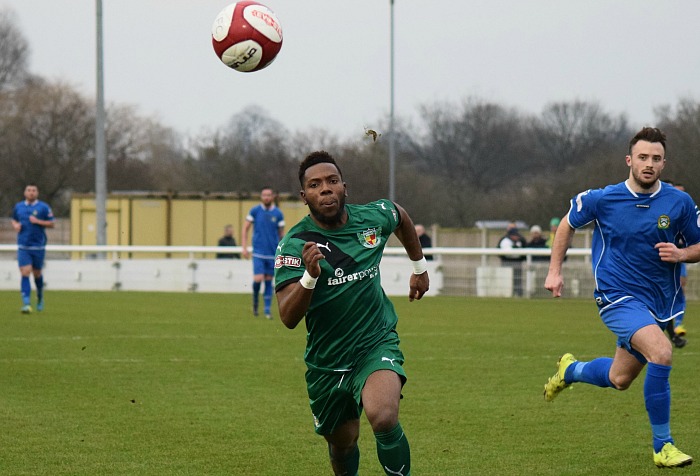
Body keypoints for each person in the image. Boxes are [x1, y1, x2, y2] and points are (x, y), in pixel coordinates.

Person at [543, 127, 699, 468]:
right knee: (661, 351)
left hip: (658, 302)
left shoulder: (679, 202)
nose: (649, 164)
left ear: (663, 163)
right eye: (643, 157)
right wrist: (555, 270)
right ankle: (663, 446)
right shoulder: (604, 199)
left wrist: (683, 254)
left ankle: (571, 371)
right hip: (616, 296)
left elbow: (698, 244)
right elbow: (567, 224)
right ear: (629, 160)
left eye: (656, 159)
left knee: (619, 378)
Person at [274, 150, 429, 476]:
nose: (325, 189)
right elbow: (288, 317)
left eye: (332, 181)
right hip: (327, 361)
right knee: (344, 442)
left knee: (383, 417)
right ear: (304, 197)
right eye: (315, 185)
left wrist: (419, 267)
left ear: (345, 187)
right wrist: (310, 277)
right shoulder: (294, 244)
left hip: (375, 342)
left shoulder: (373, 217)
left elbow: (399, 215)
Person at [241, 187, 285, 319]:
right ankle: (255, 303)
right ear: (261, 196)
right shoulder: (255, 211)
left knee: (268, 280)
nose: (266, 197)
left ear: (272, 197)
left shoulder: (278, 213)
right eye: (264, 195)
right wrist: (244, 247)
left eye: (269, 195)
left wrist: (282, 251)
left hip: (272, 252)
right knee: (258, 279)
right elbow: (245, 229)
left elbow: (282, 234)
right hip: (258, 252)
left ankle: (267, 310)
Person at [11, 184, 55, 314]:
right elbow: (13, 219)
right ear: (25, 192)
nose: (31, 193)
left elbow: (52, 223)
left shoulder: (44, 207)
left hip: (38, 246)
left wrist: (38, 221)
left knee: (37, 274)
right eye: (29, 190)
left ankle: (40, 297)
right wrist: (16, 225)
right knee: (25, 272)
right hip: (23, 246)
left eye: (33, 190)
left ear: (37, 193)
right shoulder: (18, 207)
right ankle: (26, 304)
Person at [498, 223, 526, 296]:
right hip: (507, 264)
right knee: (507, 280)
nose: (517, 237)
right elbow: (508, 252)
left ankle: (518, 293)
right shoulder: (505, 241)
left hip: (517, 263)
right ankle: (506, 294)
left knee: (517, 279)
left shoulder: (520, 241)